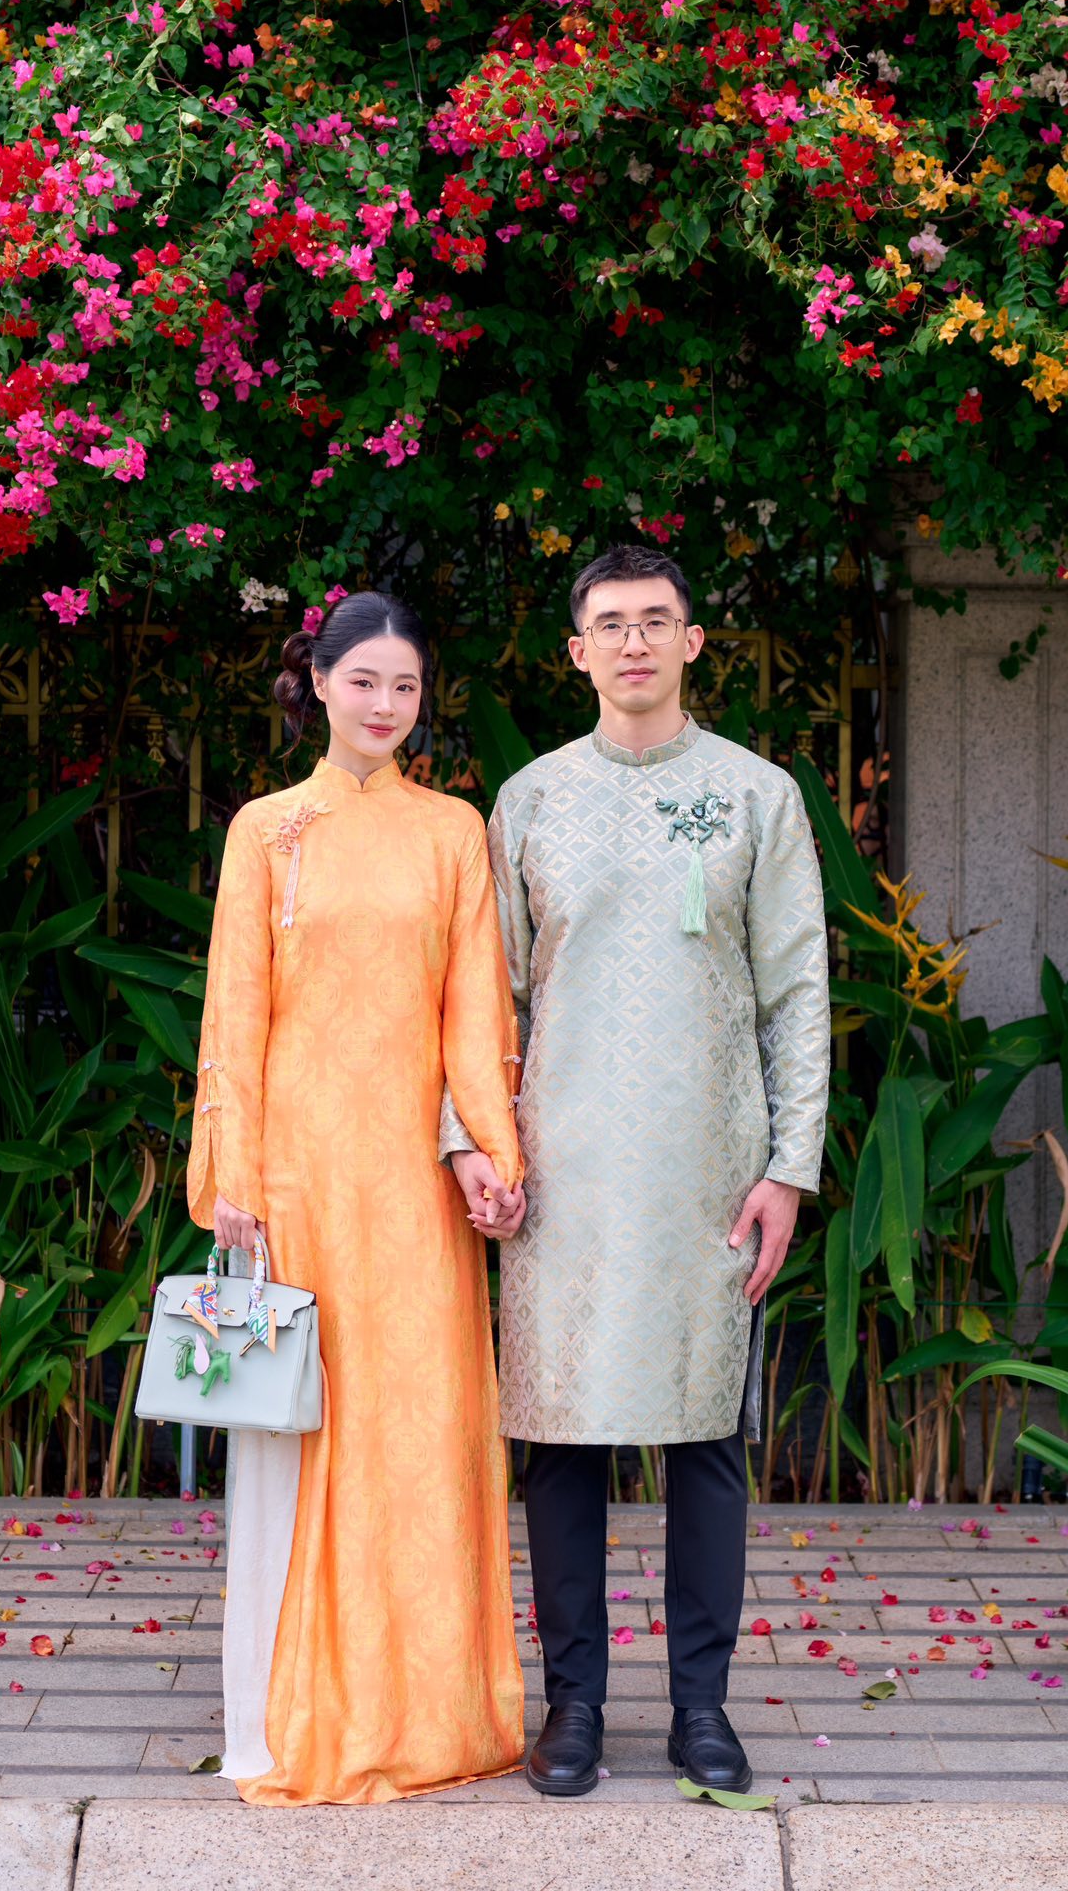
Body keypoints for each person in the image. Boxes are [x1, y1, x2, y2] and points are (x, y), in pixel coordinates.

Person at [442, 543, 830, 1800]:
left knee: (705, 1433)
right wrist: (472, 1144)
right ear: (576, 651)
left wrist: (789, 1166)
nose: (633, 642)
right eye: (608, 624)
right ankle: (575, 1706)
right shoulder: (530, 800)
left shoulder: (757, 794)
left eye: (655, 620)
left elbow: (797, 990)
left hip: (709, 1164)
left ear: (692, 641)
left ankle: (700, 1709)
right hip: (557, 1170)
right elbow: (484, 999)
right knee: (559, 1438)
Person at [188, 590, 528, 1807]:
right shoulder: (265, 830)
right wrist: (233, 1171)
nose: (386, 703)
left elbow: (474, 1009)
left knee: (420, 1427)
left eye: (406, 685)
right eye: (366, 680)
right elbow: (235, 1005)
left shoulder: (452, 830)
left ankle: (433, 1707)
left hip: (414, 1185)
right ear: (319, 682)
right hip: (299, 1177)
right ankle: (291, 1711)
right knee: (308, 1428)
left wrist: (487, 1153)